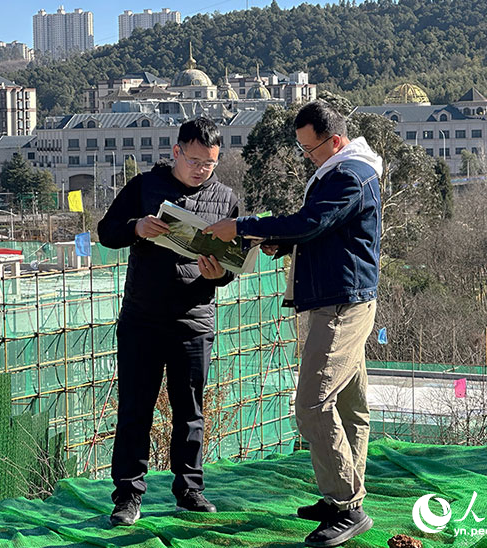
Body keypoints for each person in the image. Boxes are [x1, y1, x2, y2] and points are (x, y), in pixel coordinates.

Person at [204, 100, 382, 547]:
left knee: (312, 403)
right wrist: (281, 242)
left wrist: (246, 227)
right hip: (343, 298)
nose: (307, 156)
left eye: (310, 148)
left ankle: (345, 503)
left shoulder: (349, 175)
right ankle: (344, 494)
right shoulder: (346, 169)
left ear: (334, 140)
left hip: (341, 305)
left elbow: (312, 221)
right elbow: (323, 231)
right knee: (349, 404)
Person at [97, 117, 239, 527]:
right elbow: (107, 232)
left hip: (194, 318)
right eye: (194, 160)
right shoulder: (143, 186)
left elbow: (231, 264)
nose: (201, 170)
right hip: (143, 317)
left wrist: (220, 274)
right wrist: (136, 227)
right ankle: (127, 496)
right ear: (176, 152)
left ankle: (190, 489)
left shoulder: (226, 199)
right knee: (135, 410)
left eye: (209, 163)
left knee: (190, 410)